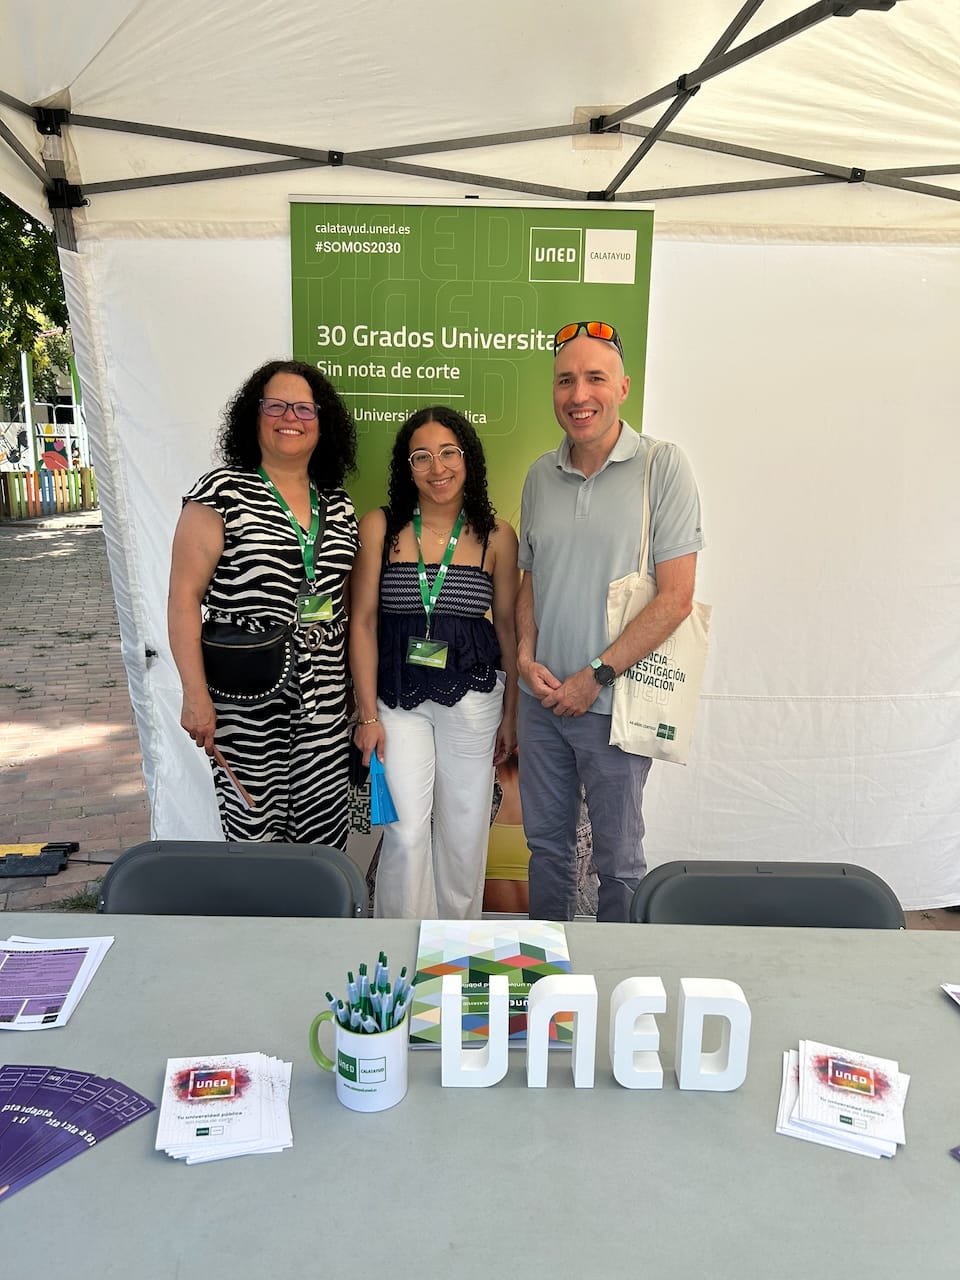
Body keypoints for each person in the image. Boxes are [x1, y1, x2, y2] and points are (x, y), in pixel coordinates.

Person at [516, 320, 704, 922]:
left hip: (615, 706)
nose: (579, 395)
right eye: (565, 380)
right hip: (541, 703)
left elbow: (676, 598)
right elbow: (530, 579)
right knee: (546, 852)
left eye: (595, 378)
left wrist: (594, 676)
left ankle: (619, 973)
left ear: (623, 387)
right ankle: (542, 971)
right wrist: (525, 657)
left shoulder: (662, 467)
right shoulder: (539, 476)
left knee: (618, 861)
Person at [168, 358, 358, 848]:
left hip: (325, 695)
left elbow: (345, 599)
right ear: (254, 416)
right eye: (276, 406)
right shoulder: (220, 492)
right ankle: (257, 905)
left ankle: (315, 905)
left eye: (304, 408)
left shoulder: (337, 503)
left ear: (322, 422)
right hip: (245, 692)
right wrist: (194, 693)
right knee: (254, 831)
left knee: (322, 832)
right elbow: (184, 598)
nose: (290, 417)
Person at [351, 406, 520, 919]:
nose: (437, 467)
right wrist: (366, 715)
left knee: (464, 832)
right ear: (407, 468)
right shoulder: (381, 527)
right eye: (421, 457)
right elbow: (363, 622)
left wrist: (513, 714)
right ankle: (402, 944)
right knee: (404, 831)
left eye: (449, 452)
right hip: (397, 696)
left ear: (468, 459)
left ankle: (456, 947)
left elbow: (508, 627)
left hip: (473, 697)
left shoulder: (497, 536)